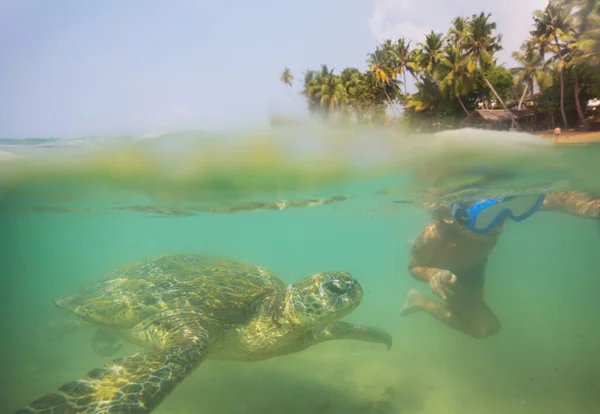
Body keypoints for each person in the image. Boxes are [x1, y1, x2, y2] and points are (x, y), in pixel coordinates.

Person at [400, 191, 600, 339]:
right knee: (485, 328)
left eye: (504, 214)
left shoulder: (498, 209)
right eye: (486, 216)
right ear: (450, 216)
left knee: (483, 323)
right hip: (448, 277)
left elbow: (561, 198)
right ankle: (420, 302)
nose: (499, 223)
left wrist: (591, 207)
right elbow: (413, 267)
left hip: (474, 269)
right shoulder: (434, 233)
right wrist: (432, 273)